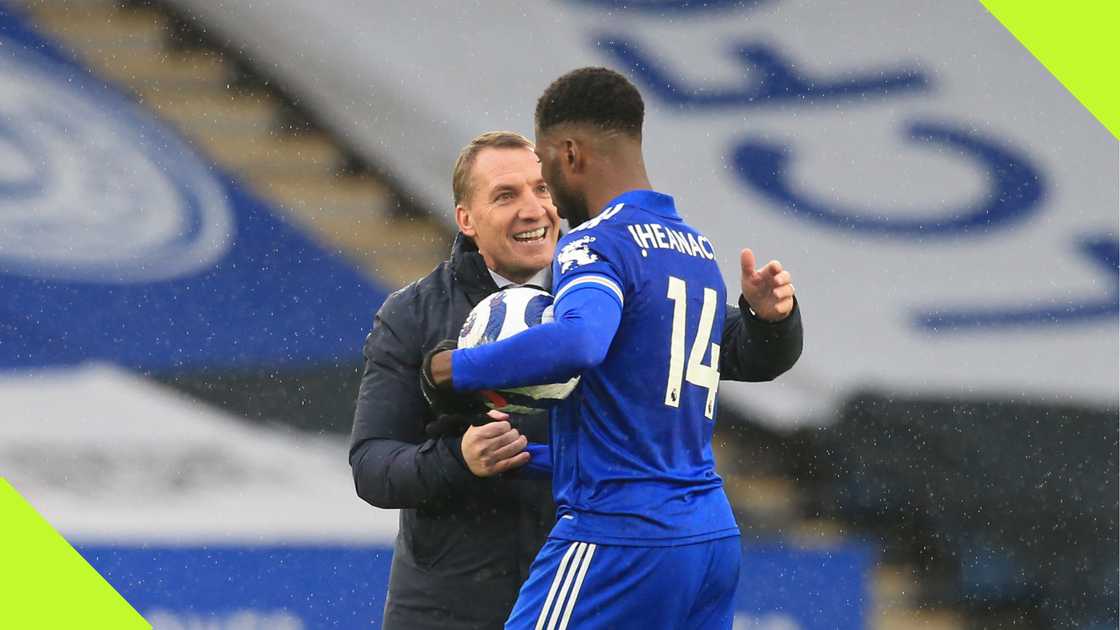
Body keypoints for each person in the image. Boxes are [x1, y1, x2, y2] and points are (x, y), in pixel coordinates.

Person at [353, 124, 802, 628]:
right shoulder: (413, 314)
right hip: (449, 604)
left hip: (594, 586)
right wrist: (459, 459)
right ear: (466, 219)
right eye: (505, 196)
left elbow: (741, 352)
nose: (533, 209)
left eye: (541, 189)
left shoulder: (603, 275)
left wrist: (771, 321)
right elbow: (372, 466)